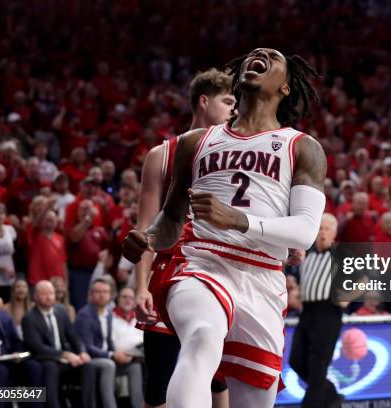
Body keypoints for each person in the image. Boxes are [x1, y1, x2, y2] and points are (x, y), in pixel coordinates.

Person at [123, 48, 326, 407]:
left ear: (285, 89)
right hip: (203, 263)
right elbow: (171, 217)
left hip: (263, 278)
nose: (258, 54)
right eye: (253, 54)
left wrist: (239, 220)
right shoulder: (194, 142)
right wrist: (150, 239)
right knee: (201, 337)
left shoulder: (302, 147)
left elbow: (306, 231)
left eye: (271, 57)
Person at [132, 68, 234, 408]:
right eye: (228, 101)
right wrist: (139, 287)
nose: (235, 110)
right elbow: (146, 228)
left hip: (220, 275)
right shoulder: (162, 156)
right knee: (157, 387)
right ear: (204, 101)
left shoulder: (239, 157)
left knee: (219, 379)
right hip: (170, 274)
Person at [289, 213, 343, 408]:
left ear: (334, 233)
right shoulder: (307, 255)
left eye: (327, 229)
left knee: (317, 367)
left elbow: (364, 281)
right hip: (307, 312)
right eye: (320, 228)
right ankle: (332, 396)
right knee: (296, 360)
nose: (322, 232)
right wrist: (296, 292)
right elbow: (304, 282)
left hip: (328, 312)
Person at [22, 280, 97, 408]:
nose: (49, 297)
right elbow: (38, 347)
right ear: (35, 296)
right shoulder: (29, 318)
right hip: (45, 358)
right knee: (51, 366)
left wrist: (82, 352)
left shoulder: (61, 311)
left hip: (65, 358)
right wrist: (65, 355)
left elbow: (74, 336)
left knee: (88, 366)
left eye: (51, 293)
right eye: (44, 294)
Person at [75, 278, 143, 408]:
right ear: (91, 293)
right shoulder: (85, 315)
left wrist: (118, 354)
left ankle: (138, 405)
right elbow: (88, 347)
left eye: (105, 292)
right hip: (90, 360)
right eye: (98, 291)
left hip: (106, 357)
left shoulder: (108, 313)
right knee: (109, 364)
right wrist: (112, 355)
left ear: (110, 295)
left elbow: (109, 340)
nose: (101, 295)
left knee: (134, 367)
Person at [0, 278, 42, 393]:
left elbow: (15, 340)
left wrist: (18, 353)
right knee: (0, 371)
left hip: (9, 357)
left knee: (34, 367)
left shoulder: (3, 315)